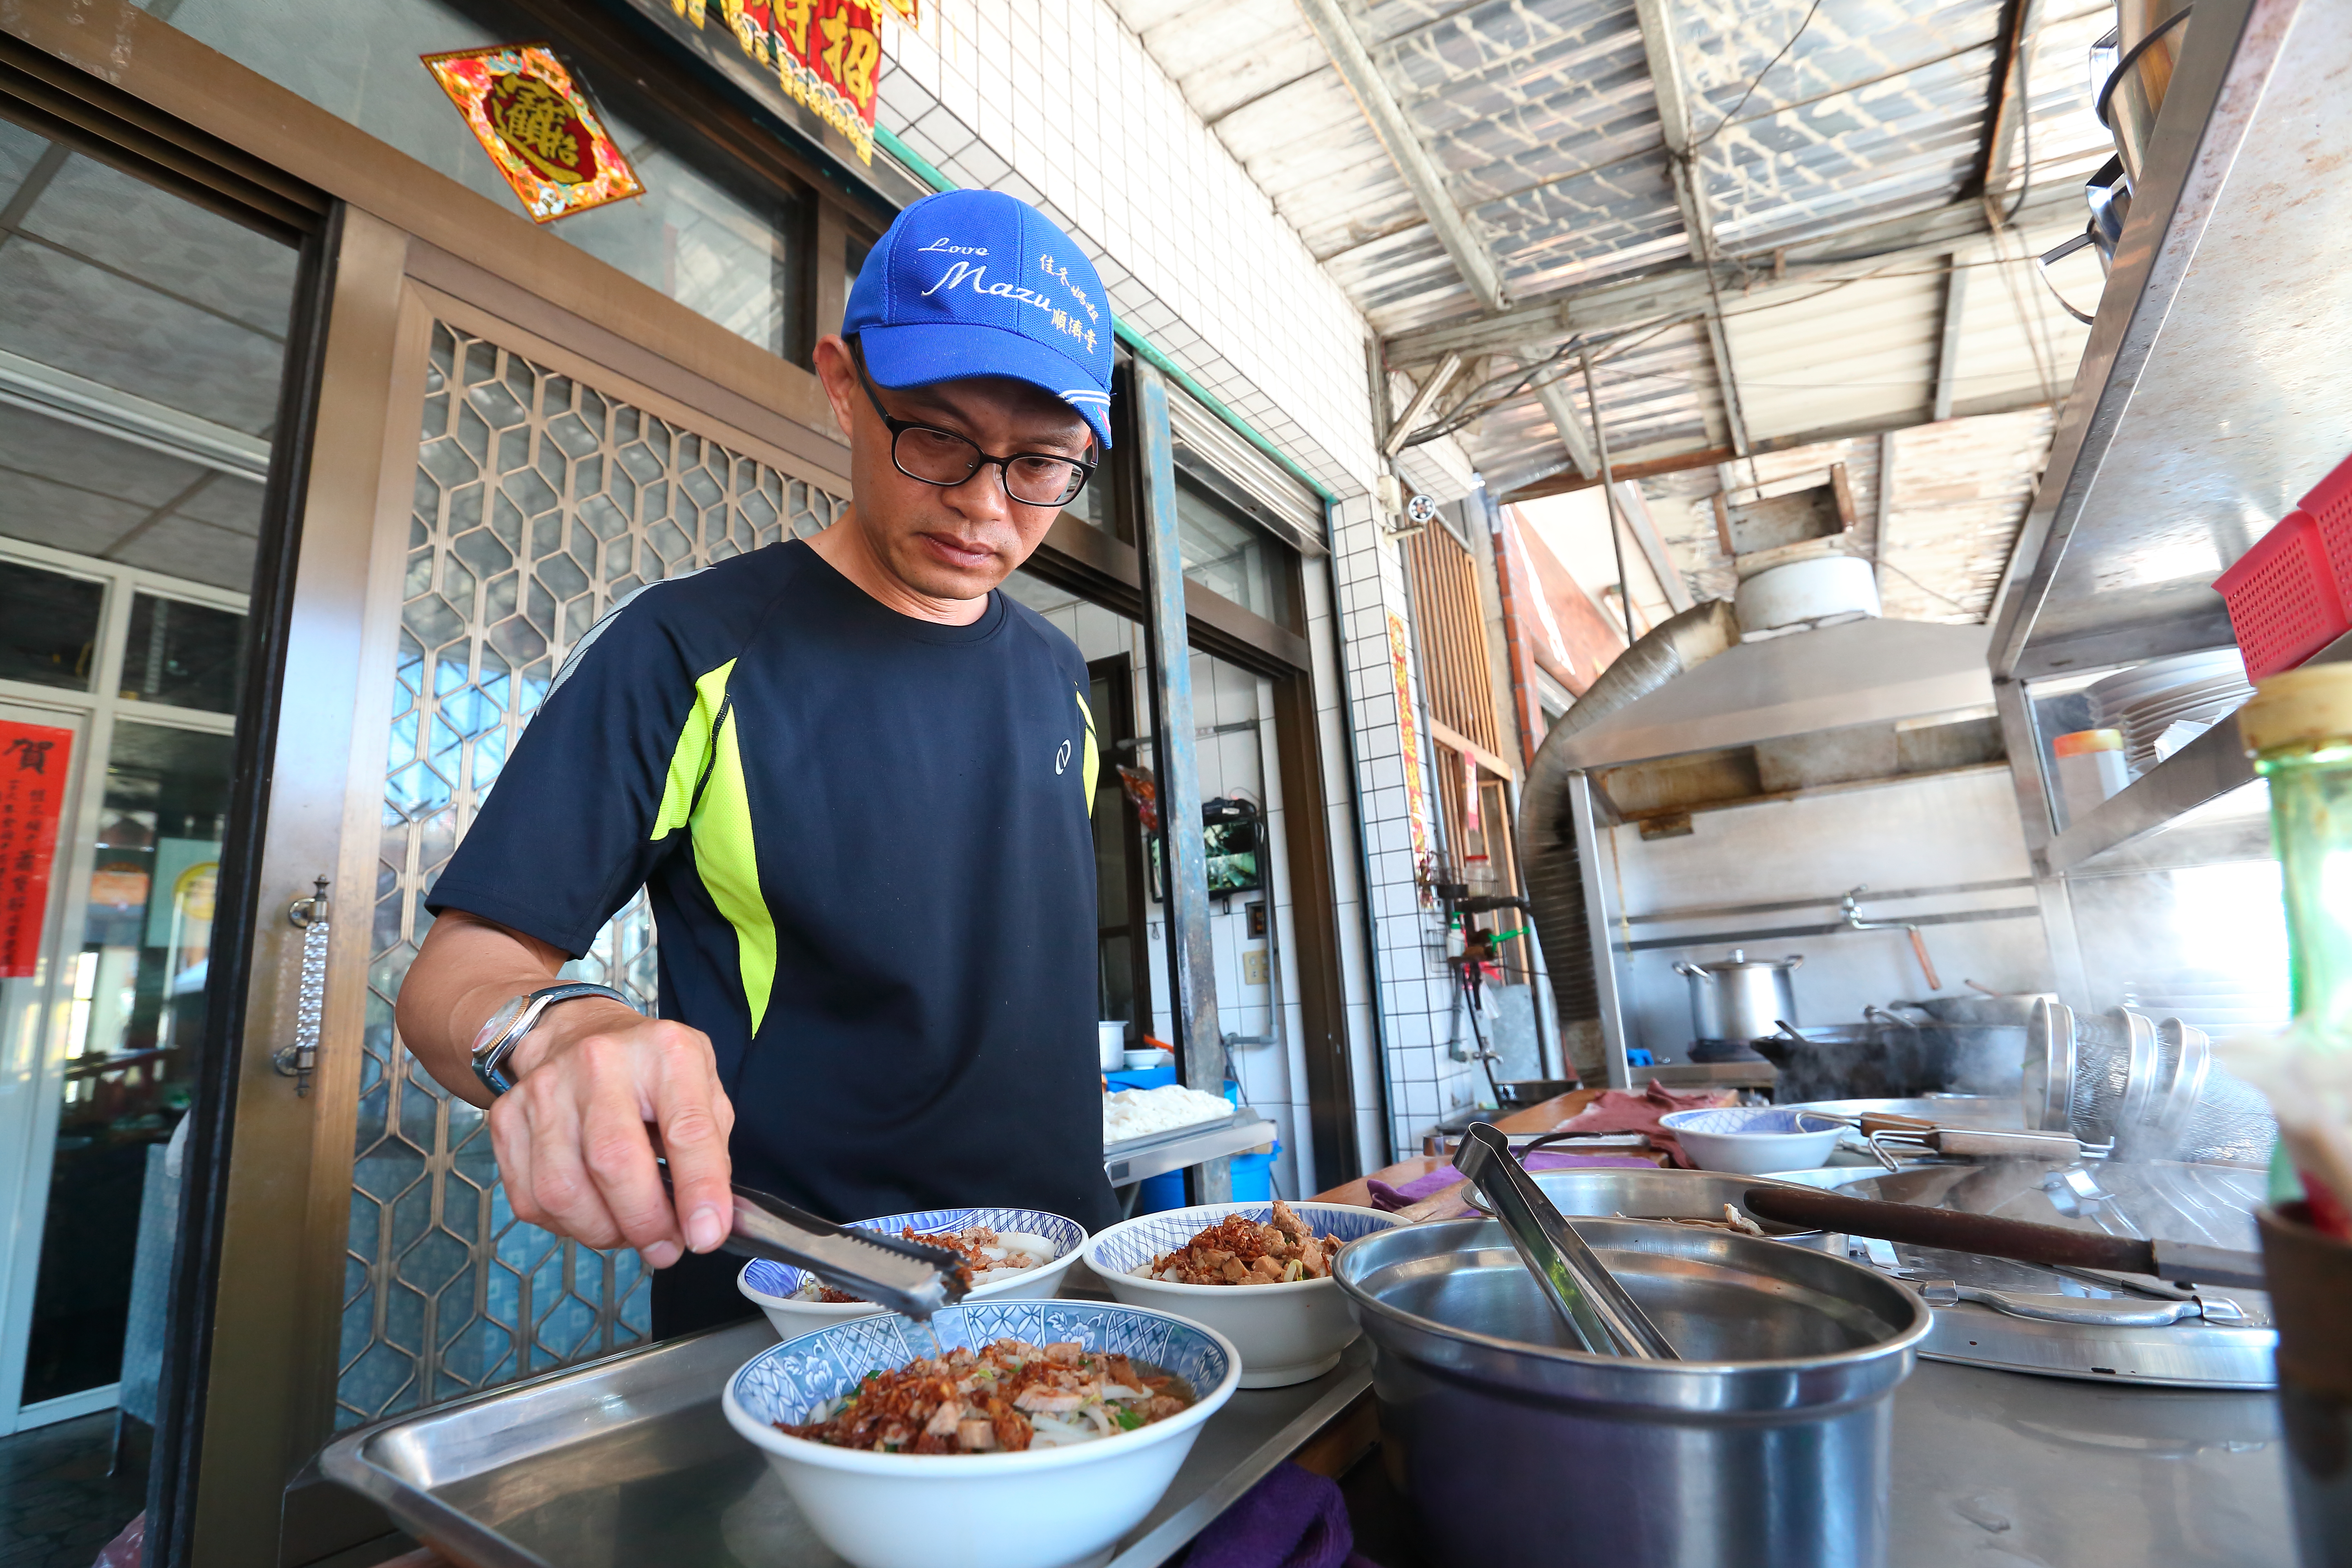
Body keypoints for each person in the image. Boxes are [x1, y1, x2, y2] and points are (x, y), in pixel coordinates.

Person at [395, 187, 1122, 1334]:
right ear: (842, 384)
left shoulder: (1060, 675)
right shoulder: (690, 649)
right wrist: (567, 1032)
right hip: (796, 1294)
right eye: (937, 438)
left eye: (1040, 464)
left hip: (1059, 1271)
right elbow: (456, 975)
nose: (986, 507)